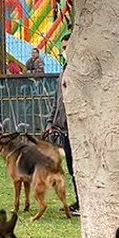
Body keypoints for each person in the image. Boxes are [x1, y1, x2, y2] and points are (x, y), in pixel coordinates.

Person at [46, 37, 79, 213]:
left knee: (78, 167)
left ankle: (83, 202)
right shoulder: (64, 70)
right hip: (64, 129)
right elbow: (57, 100)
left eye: (66, 47)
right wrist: (51, 121)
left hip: (76, 130)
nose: (64, 50)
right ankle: (79, 201)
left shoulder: (79, 70)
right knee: (72, 167)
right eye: (63, 47)